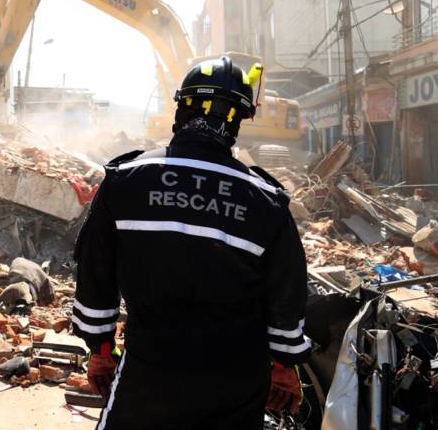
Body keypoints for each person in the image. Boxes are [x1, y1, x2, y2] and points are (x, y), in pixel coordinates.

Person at [72, 56, 311, 430]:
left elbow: (94, 276)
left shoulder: (126, 179)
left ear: (182, 107)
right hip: (237, 382)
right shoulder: (267, 200)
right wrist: (284, 366)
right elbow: (287, 295)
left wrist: (101, 351)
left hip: (150, 374)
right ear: (238, 120)